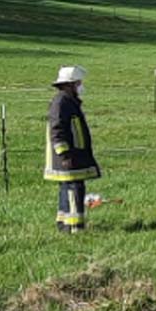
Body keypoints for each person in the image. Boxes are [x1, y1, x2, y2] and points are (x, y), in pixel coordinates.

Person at [44, 65, 101, 233]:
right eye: (78, 83)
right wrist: (63, 153)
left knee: (68, 187)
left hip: (73, 155)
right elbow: (57, 129)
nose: (81, 86)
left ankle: (64, 224)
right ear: (70, 84)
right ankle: (75, 226)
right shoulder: (61, 102)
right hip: (68, 157)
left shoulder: (68, 101)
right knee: (74, 189)